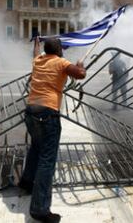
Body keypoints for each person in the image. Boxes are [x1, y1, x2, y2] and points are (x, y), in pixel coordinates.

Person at [18, 37, 86, 223]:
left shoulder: (39, 60)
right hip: (48, 113)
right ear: (59, 51)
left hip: (31, 111)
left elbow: (35, 53)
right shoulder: (60, 62)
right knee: (47, 161)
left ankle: (26, 182)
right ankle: (39, 210)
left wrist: (35, 44)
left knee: (36, 148)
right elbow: (80, 74)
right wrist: (80, 65)